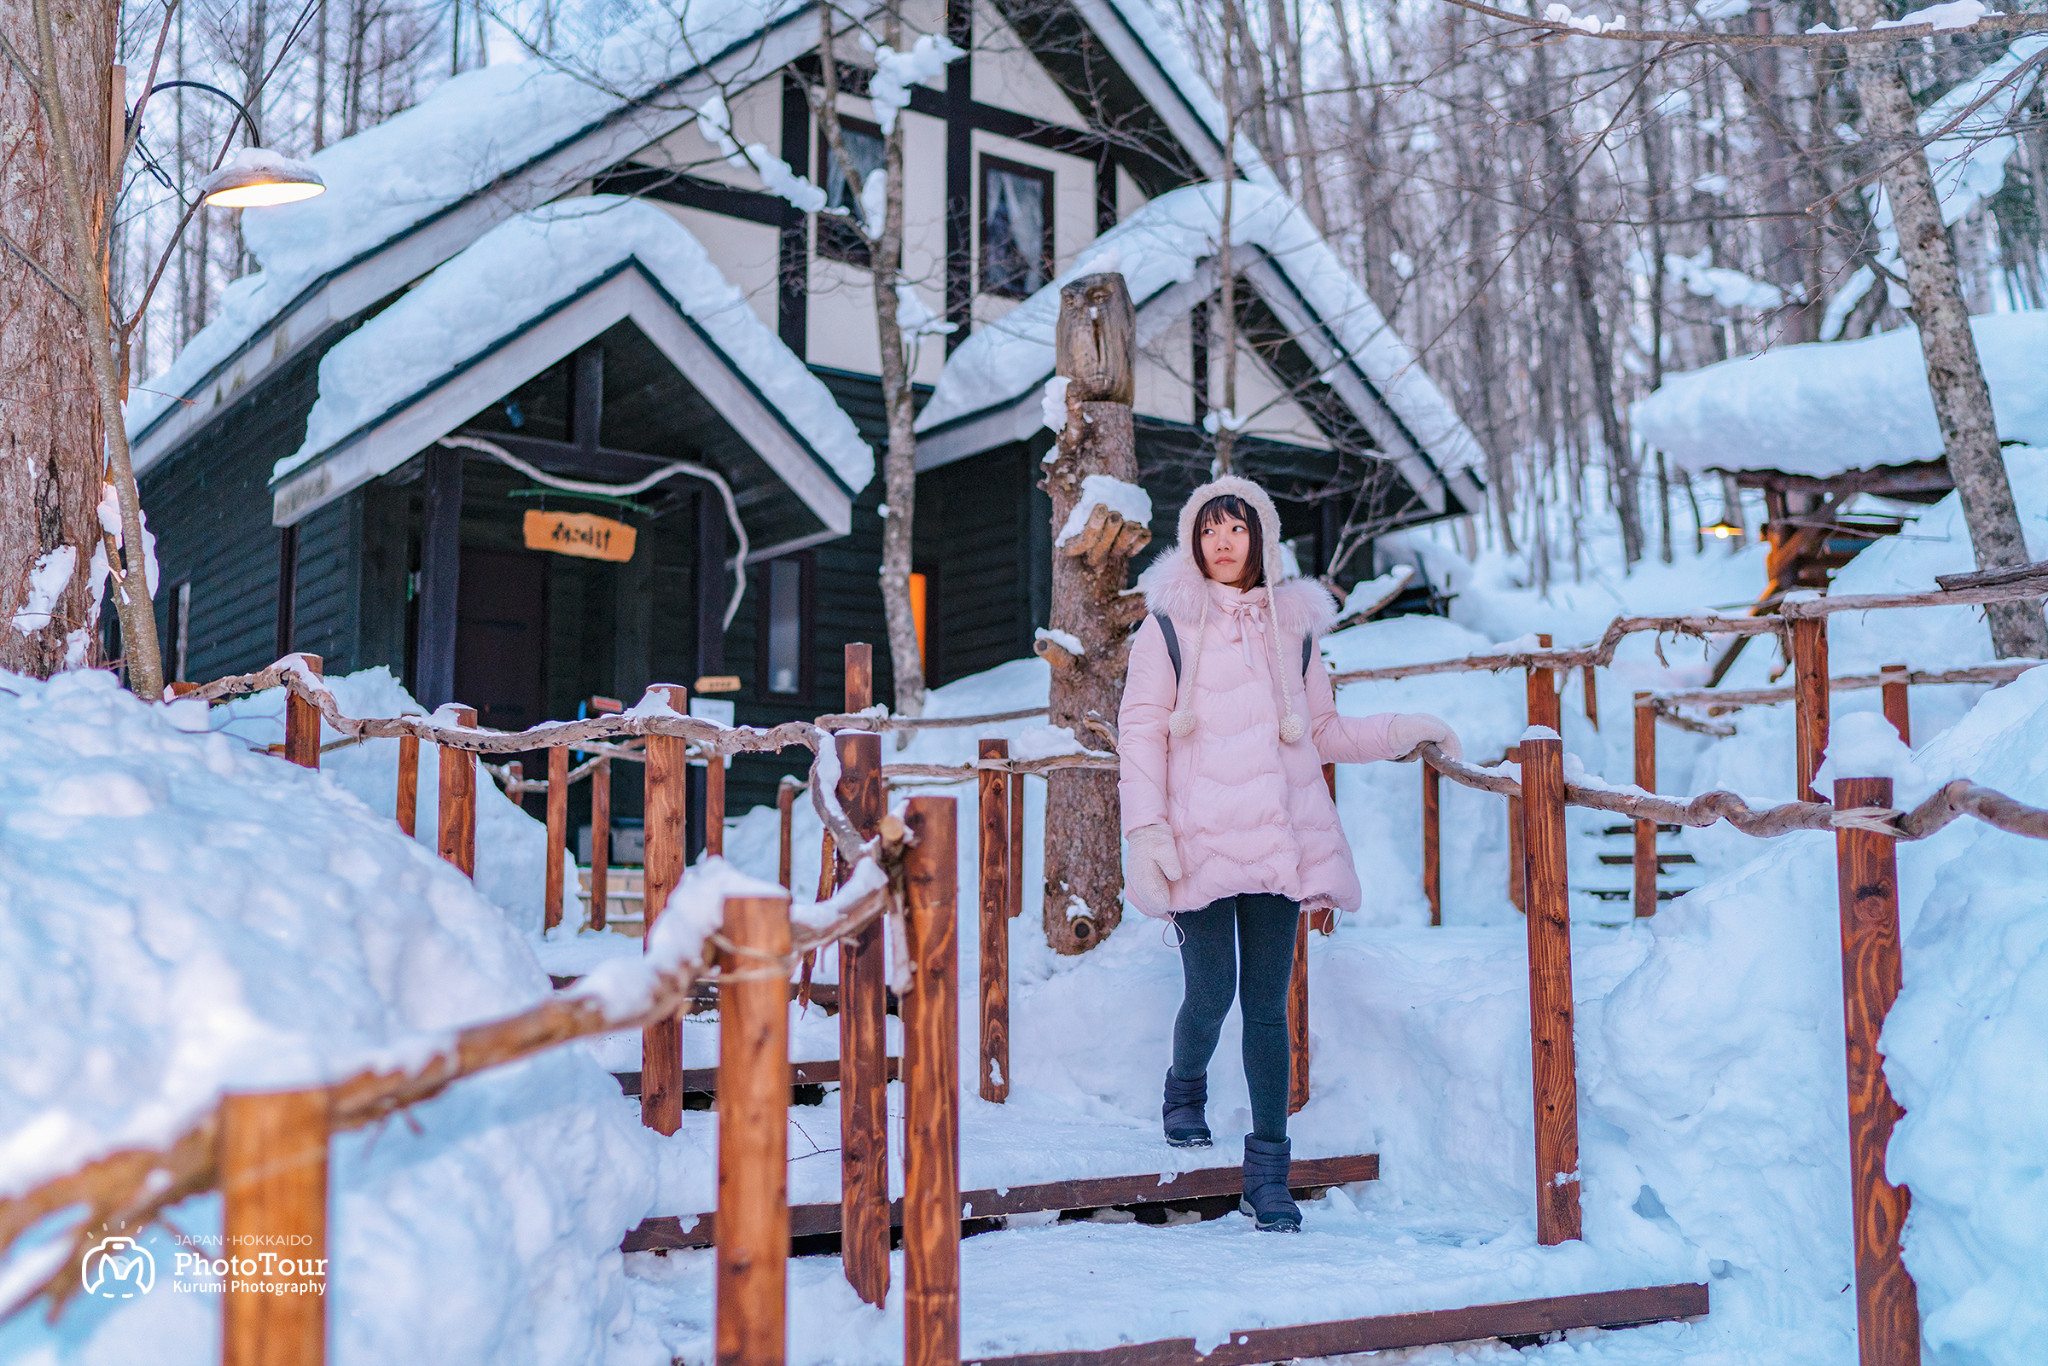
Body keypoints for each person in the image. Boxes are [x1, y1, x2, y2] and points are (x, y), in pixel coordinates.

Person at [1118, 475, 1462, 1233]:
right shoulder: (1168, 625)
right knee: (1211, 994)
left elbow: (1326, 730)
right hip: (1197, 844)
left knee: (1266, 1009)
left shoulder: (1293, 630)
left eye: (1236, 526)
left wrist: (1404, 728)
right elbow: (1140, 732)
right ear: (1193, 540)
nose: (1222, 540)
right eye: (1209, 528)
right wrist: (1146, 833)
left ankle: (1265, 1173)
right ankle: (1184, 1086)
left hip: (1275, 842)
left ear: (1261, 538)